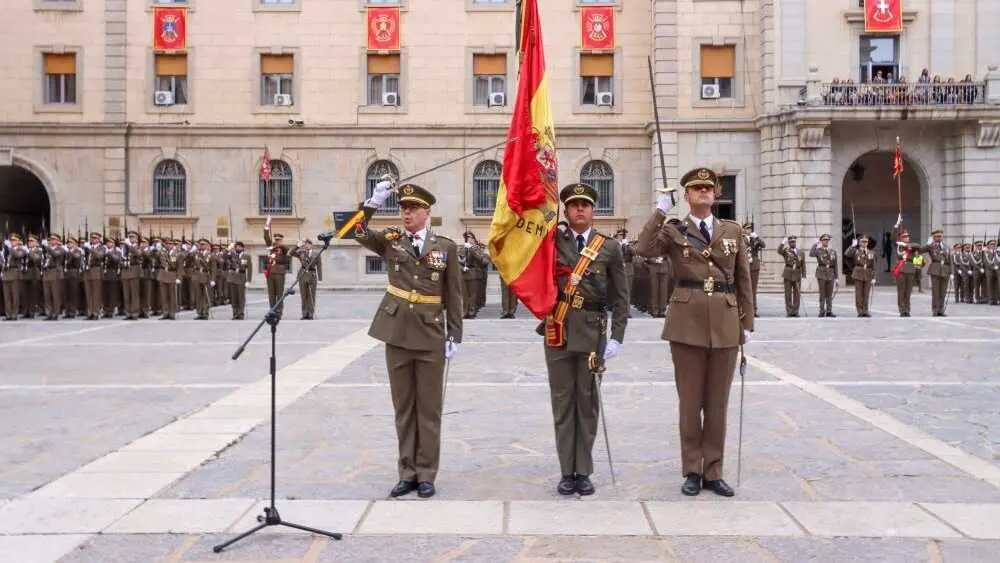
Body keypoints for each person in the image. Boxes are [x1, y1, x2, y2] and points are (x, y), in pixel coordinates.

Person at [635, 167, 753, 498]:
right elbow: (643, 249)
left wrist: (748, 323)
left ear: (716, 194)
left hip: (726, 322)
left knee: (717, 404)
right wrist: (661, 210)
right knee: (690, 404)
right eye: (696, 188)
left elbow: (743, 277)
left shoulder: (732, 230)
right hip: (686, 323)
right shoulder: (674, 230)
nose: (703, 192)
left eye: (708, 188)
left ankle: (713, 471)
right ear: (685, 196)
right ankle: (691, 469)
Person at [351, 179, 463, 499]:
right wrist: (371, 203)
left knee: (428, 409)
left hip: (430, 334)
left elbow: (454, 296)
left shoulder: (445, 247)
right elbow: (355, 232)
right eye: (403, 209)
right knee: (403, 407)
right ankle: (407, 472)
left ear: (427, 212)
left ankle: (426, 472)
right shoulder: (391, 241)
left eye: (413, 209)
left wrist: (454, 334)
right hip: (397, 332)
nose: (406, 214)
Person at [539, 182, 629, 496]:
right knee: (563, 403)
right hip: (558, 330)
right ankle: (567, 470)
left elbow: (621, 297)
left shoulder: (608, 247)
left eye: (585, 204)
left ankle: (584, 470)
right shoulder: (552, 241)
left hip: (592, 333)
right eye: (574, 204)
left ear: (594, 210)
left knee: (588, 403)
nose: (580, 209)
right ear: (566, 210)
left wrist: (617, 336)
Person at [845, 234, 877, 317]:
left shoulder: (871, 252)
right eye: (862, 241)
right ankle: (859, 310)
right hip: (858, 273)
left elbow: (874, 265)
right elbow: (847, 254)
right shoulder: (855, 251)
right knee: (859, 293)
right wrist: (852, 246)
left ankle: (865, 310)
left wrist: (874, 277)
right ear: (859, 243)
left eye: (866, 242)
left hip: (868, 274)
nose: (864, 243)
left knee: (866, 294)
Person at [290, 239, 322, 319]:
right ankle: (304, 314)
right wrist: (297, 246)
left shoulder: (316, 254)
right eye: (305, 244)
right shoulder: (301, 253)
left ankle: (311, 313)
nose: (306, 246)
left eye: (308, 244)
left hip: (312, 275)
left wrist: (320, 278)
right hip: (303, 275)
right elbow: (291, 253)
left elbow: (319, 265)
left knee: (311, 295)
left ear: (311, 245)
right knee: (303, 295)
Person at [809, 234, 839, 317]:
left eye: (827, 240)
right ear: (821, 241)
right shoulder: (818, 250)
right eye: (824, 240)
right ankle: (822, 310)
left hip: (830, 274)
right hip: (821, 273)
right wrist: (815, 244)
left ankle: (829, 311)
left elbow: (835, 265)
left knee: (829, 294)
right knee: (822, 293)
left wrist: (836, 278)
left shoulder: (833, 251)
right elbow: (811, 254)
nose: (826, 241)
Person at [923, 229, 951, 316]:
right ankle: (935, 310)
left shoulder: (945, 247)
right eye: (937, 236)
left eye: (940, 236)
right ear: (933, 237)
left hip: (945, 270)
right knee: (936, 291)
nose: (939, 238)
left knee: (943, 292)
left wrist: (952, 272)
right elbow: (921, 250)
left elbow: (950, 260)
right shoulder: (930, 246)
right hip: (935, 269)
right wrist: (928, 244)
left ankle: (941, 310)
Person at [777, 235, 805, 317]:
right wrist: (783, 242)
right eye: (791, 242)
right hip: (788, 273)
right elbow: (779, 251)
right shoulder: (786, 251)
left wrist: (803, 274)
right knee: (788, 293)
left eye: (794, 241)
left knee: (797, 293)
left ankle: (795, 311)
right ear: (789, 243)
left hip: (797, 273)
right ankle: (789, 311)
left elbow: (803, 264)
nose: (793, 243)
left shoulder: (800, 252)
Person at [742, 222, 765, 317]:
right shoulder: (741, 238)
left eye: (750, 229)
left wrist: (757, 238)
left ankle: (753, 311)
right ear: (743, 229)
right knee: (745, 289)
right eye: (747, 228)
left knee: (753, 289)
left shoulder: (754, 239)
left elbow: (763, 245)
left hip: (754, 266)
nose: (749, 230)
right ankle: (745, 310)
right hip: (745, 265)